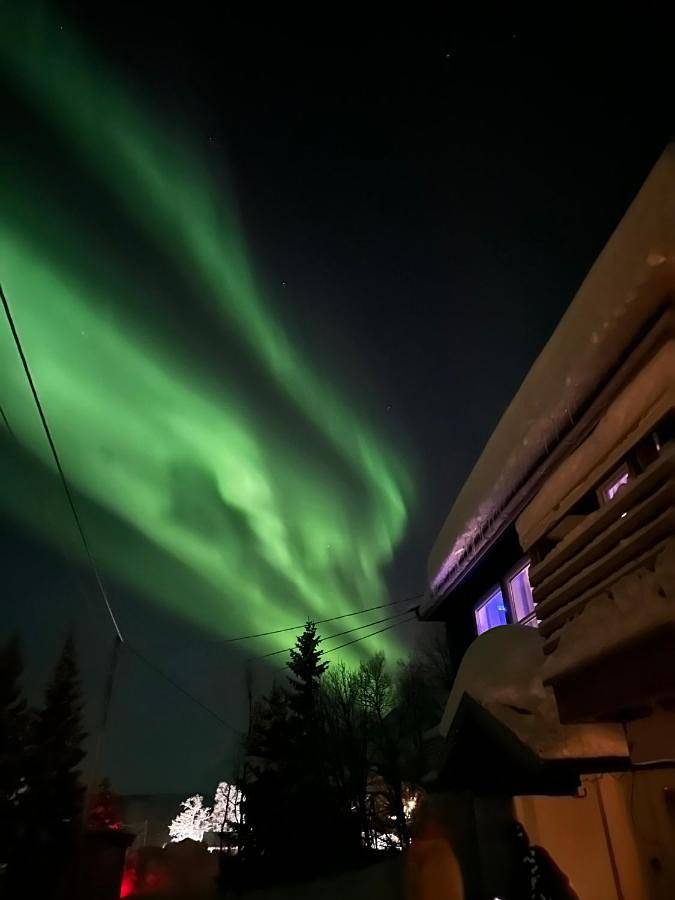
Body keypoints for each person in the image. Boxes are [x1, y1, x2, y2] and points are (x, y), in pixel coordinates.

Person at [509, 822, 579, 900]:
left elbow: (559, 879)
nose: (521, 836)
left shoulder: (537, 853)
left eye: (521, 833)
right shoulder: (516, 866)